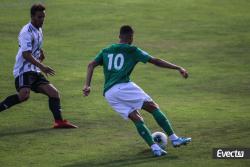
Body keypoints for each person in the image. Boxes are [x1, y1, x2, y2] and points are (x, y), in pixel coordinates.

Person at [83, 25, 191, 156]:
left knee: (137, 119)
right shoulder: (132, 50)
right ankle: (174, 139)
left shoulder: (106, 50)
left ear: (119, 36)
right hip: (123, 86)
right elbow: (155, 61)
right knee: (152, 107)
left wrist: (87, 85)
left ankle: (155, 149)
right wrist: (177, 67)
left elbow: (91, 64)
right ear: (131, 37)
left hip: (109, 93)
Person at [0, 3, 77, 129]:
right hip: (23, 70)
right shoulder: (26, 31)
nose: (42, 20)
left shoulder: (39, 29)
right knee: (24, 95)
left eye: (43, 17)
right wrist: (42, 66)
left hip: (34, 69)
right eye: (39, 17)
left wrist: (40, 52)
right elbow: (25, 54)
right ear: (32, 17)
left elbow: (35, 46)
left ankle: (59, 122)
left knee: (54, 93)